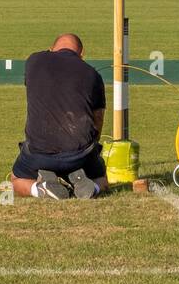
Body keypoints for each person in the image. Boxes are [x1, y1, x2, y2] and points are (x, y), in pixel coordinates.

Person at [11, 33, 108, 200]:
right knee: (103, 180)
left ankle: (40, 189)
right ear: (82, 53)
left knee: (16, 180)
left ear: (51, 49)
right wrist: (93, 148)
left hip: (39, 152)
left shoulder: (34, 61)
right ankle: (90, 187)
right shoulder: (92, 74)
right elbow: (98, 118)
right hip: (80, 155)